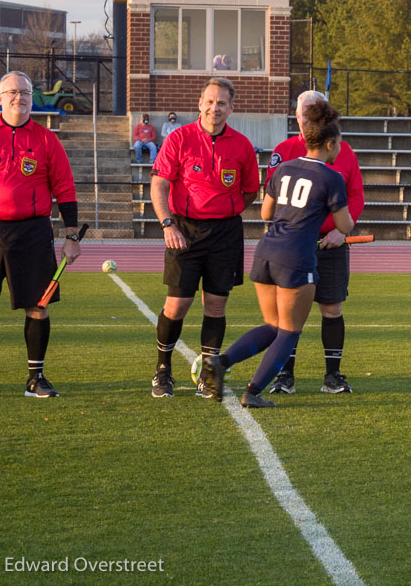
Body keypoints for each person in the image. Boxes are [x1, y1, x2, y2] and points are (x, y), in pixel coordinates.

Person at [206, 101, 354, 408]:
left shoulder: (284, 167)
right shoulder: (331, 177)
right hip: (297, 256)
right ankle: (253, 391)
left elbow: (265, 212)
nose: (340, 148)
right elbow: (344, 225)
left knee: (273, 326)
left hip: (266, 250)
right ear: (329, 143)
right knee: (289, 331)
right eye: (339, 142)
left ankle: (221, 362)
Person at [148, 77, 260, 399]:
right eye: (209, 101)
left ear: (231, 107)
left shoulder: (241, 145)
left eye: (221, 103)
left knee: (215, 304)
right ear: (200, 104)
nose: (215, 108)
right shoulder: (179, 138)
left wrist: (228, 208)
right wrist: (168, 224)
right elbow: (159, 184)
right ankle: (162, 371)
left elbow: (250, 191)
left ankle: (208, 377)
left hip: (225, 233)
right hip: (184, 230)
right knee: (177, 304)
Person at [266, 90, 365, 396]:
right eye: (305, 111)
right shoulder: (283, 151)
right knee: (289, 311)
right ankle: (285, 375)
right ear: (297, 116)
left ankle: (333, 376)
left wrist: (341, 233)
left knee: (331, 308)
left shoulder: (344, 151)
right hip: (295, 245)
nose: (310, 116)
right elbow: (271, 205)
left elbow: (356, 196)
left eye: (317, 110)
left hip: (331, 244)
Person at [0, 71, 82, 398]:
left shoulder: (47, 139)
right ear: (0, 98)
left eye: (26, 92)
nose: (19, 97)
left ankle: (36, 379)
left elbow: (65, 189)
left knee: (38, 305)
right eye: (13, 92)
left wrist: (71, 235)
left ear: (32, 97)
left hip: (32, 231)